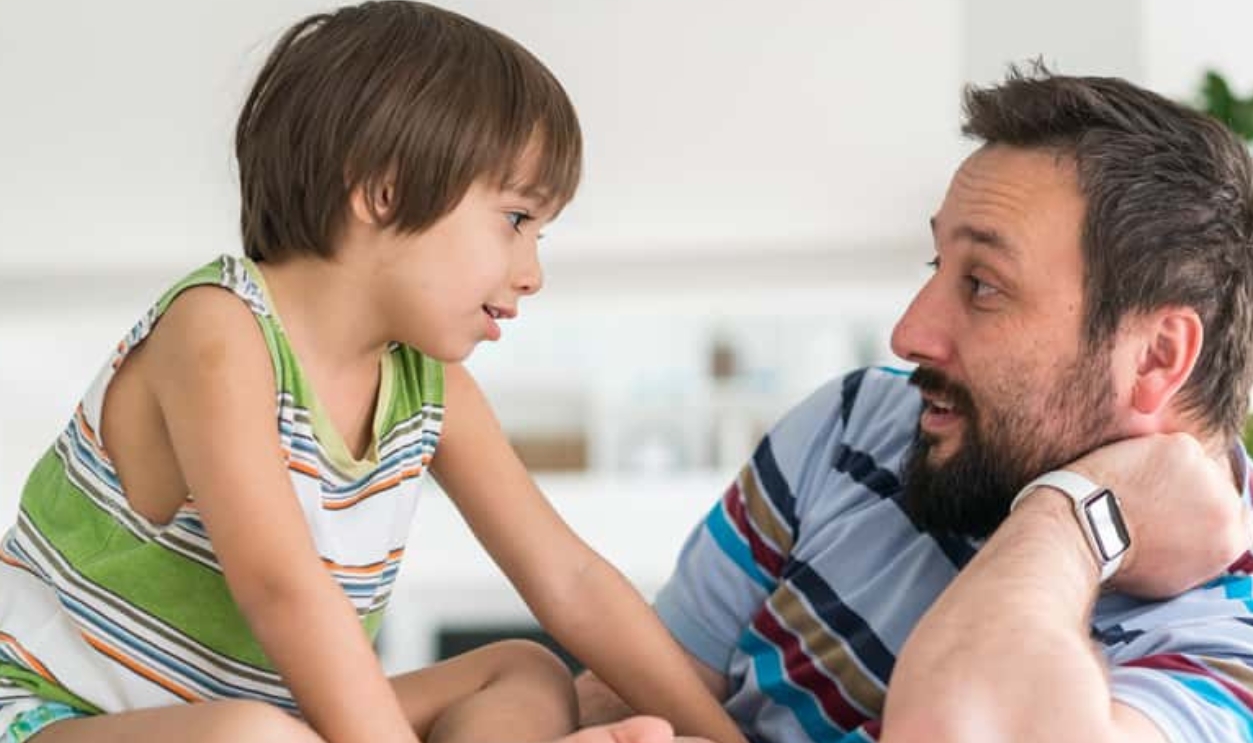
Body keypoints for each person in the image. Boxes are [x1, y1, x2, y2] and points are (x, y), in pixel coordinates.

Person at [0, 4, 742, 743]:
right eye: (516, 220)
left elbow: (569, 579)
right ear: (381, 189)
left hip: (256, 716)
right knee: (251, 737)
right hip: (55, 713)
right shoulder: (218, 329)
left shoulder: (429, 385)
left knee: (522, 669)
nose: (532, 272)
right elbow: (281, 589)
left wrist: (730, 737)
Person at [576, 66, 1253, 742]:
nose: (908, 334)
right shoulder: (859, 424)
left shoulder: (1226, 655)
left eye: (983, 285)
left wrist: (1075, 516)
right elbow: (625, 695)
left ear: (1156, 355)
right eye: (937, 266)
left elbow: (961, 729)